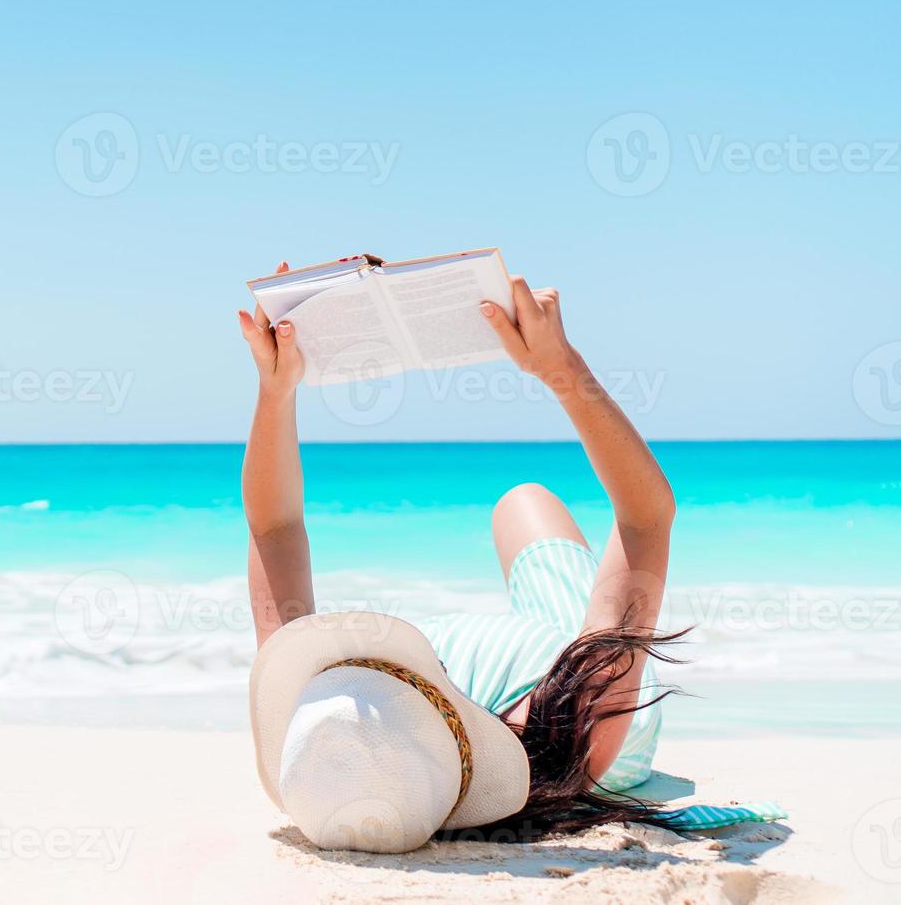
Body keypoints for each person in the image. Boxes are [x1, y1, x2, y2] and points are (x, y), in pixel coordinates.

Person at [236, 265, 780, 850]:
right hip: (554, 672)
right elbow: (645, 518)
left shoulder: (327, 733)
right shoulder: (573, 723)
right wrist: (560, 368)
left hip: (495, 686)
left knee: (521, 504)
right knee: (526, 501)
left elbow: (275, 528)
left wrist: (276, 388)